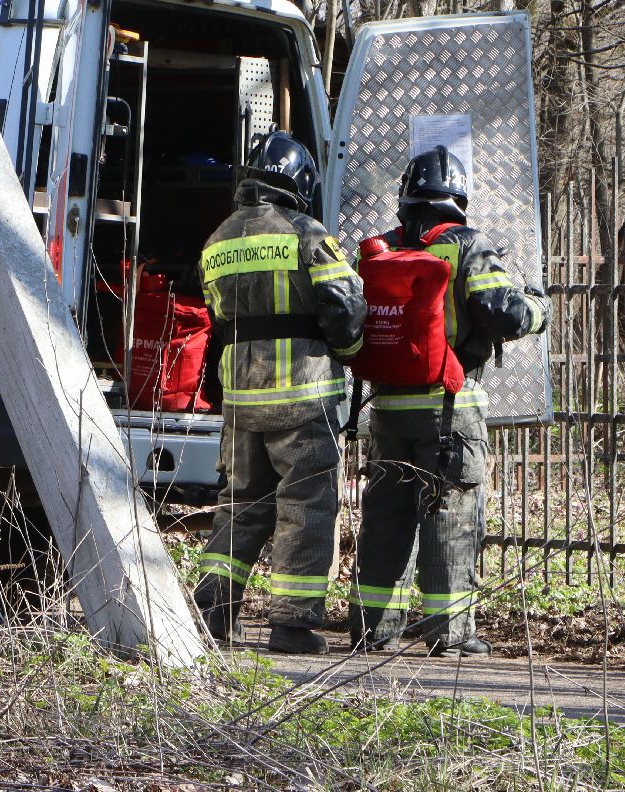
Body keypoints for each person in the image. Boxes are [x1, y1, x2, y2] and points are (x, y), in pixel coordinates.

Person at [345, 145, 547, 656]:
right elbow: (504, 316)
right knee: (450, 518)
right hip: (450, 411)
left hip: (386, 412)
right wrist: (538, 307)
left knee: (386, 519)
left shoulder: (377, 250)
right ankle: (450, 635)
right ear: (457, 196)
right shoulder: (469, 247)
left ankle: (374, 632)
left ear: (406, 196)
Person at [192, 131, 366, 655]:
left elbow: (217, 319)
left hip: (242, 400)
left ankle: (213, 611)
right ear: (300, 183)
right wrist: (353, 351)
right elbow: (345, 308)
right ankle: (292, 624)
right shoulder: (308, 235)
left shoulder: (217, 240)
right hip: (302, 400)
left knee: (239, 505)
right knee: (307, 506)